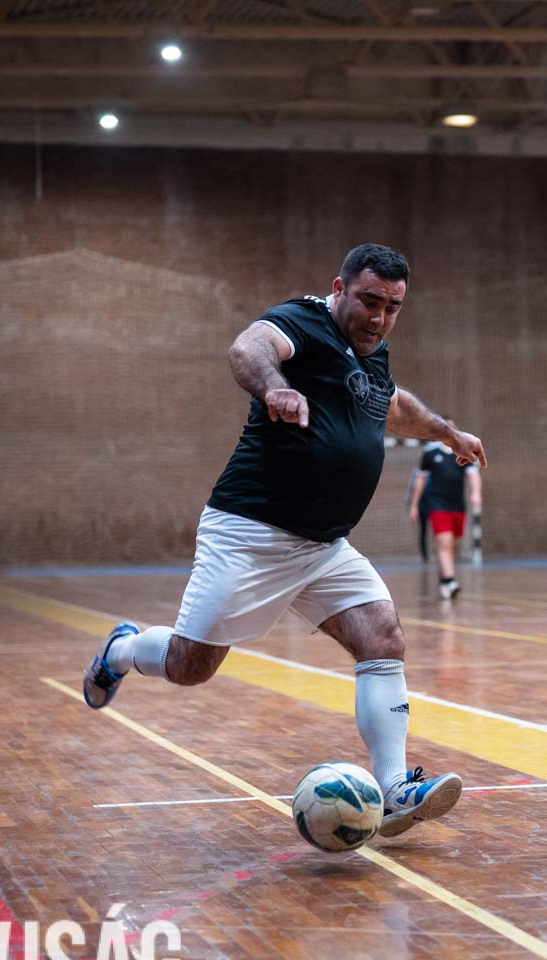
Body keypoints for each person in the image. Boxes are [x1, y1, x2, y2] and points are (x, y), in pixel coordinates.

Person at [80, 244, 486, 839]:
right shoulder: (303, 321)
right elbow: (248, 348)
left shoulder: (372, 352)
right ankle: (120, 650)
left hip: (323, 546)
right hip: (250, 534)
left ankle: (396, 787)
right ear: (340, 288)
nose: (378, 317)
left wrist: (447, 432)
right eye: (369, 300)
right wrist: (274, 388)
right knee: (190, 666)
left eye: (392, 307)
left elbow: (392, 406)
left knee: (383, 639)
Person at [408, 422, 482, 599]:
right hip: (436, 505)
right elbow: (420, 479)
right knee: (444, 542)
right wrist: (414, 504)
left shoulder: (462, 452)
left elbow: (473, 474)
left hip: (457, 506)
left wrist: (476, 493)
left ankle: (444, 578)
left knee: (453, 545)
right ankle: (450, 580)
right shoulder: (430, 452)